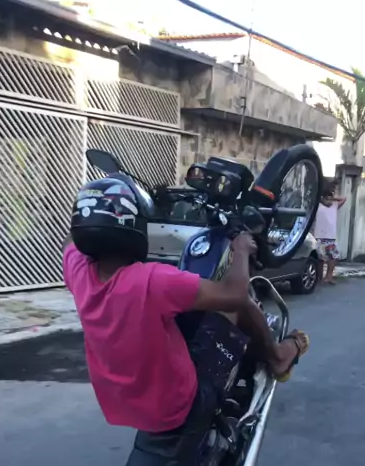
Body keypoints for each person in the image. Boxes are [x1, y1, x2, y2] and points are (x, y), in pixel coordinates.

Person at [63, 176, 309, 438]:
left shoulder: (79, 272)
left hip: (123, 405)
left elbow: (69, 244)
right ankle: (278, 357)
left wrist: (92, 208)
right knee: (241, 305)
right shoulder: (152, 280)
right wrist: (240, 250)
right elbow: (234, 295)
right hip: (177, 405)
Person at [313, 182, 346, 285]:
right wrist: (325, 198)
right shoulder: (317, 205)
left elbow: (344, 198)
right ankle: (320, 278)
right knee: (320, 259)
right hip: (319, 236)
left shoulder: (334, 205)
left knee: (333, 257)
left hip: (331, 237)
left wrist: (331, 198)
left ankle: (329, 277)